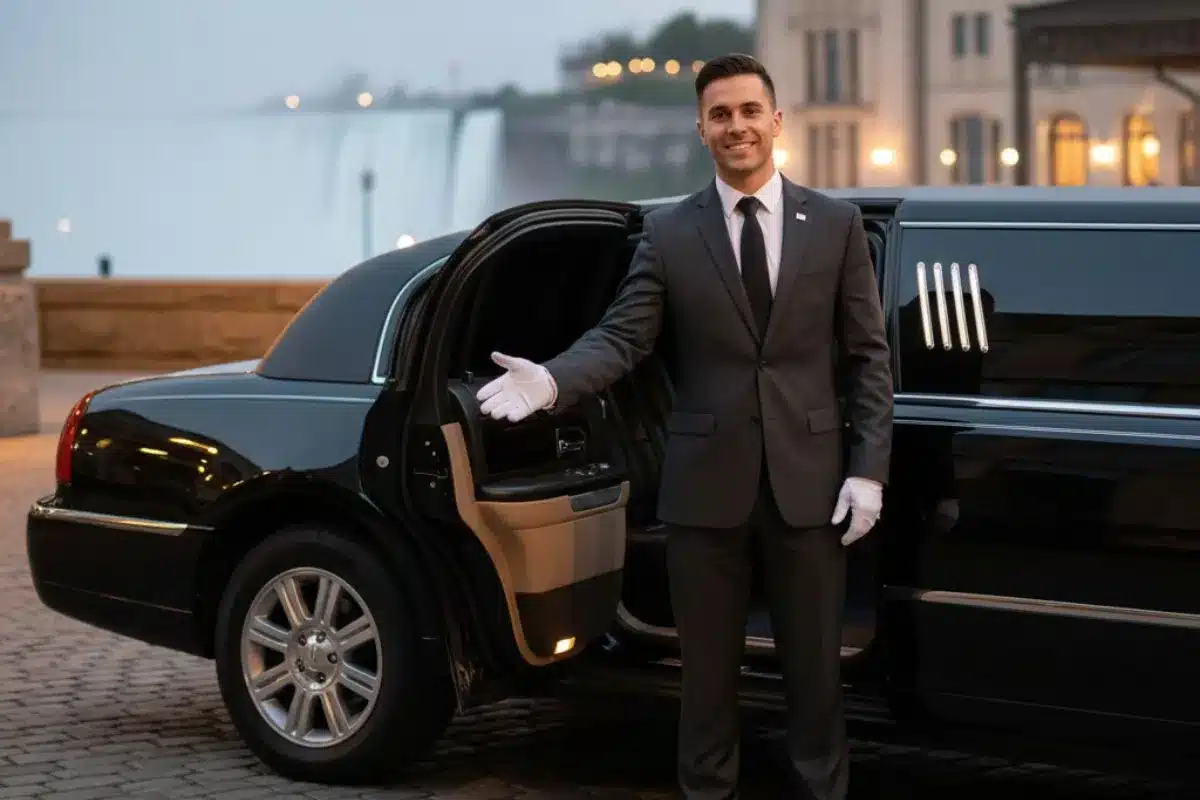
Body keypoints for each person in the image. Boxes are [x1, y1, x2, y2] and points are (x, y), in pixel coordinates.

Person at [476, 53, 893, 800]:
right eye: (721, 115)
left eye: (749, 111)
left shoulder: (835, 226)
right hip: (706, 495)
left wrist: (868, 471)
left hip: (812, 489)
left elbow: (869, 359)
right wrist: (550, 381)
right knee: (705, 684)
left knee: (816, 680)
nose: (738, 126)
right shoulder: (669, 232)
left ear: (776, 120)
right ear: (701, 129)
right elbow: (622, 338)